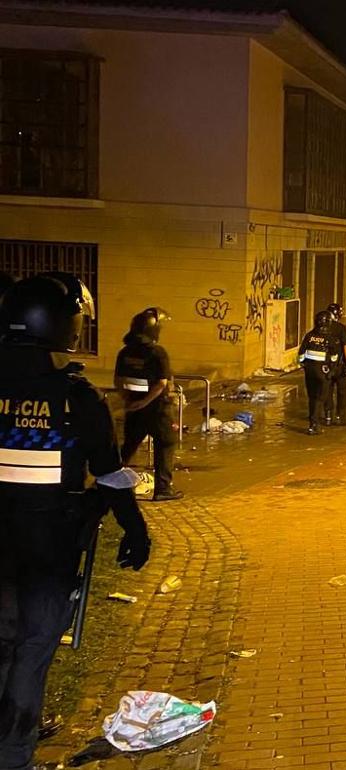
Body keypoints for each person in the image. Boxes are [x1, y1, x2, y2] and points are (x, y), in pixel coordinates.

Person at [0, 273, 151, 770]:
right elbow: (109, 475)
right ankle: (16, 757)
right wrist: (135, 529)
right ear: (63, 325)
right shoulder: (75, 398)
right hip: (48, 550)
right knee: (32, 651)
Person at [114, 307, 182, 501]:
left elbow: (118, 380)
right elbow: (162, 383)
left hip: (134, 407)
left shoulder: (125, 352)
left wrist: (129, 400)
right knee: (166, 444)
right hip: (157, 409)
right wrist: (145, 402)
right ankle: (162, 489)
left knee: (128, 447)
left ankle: (107, 482)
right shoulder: (157, 353)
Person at [297, 311, 343, 434]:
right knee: (320, 398)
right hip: (323, 371)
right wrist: (332, 370)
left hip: (309, 371)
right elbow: (334, 357)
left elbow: (301, 354)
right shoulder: (330, 338)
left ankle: (313, 423)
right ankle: (315, 424)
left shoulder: (309, 336)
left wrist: (303, 364)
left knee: (312, 397)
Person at [323, 303, 346, 425]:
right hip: (339, 365)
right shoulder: (341, 328)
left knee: (327, 391)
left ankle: (328, 416)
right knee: (342, 391)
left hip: (324, 365)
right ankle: (340, 416)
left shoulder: (321, 327)